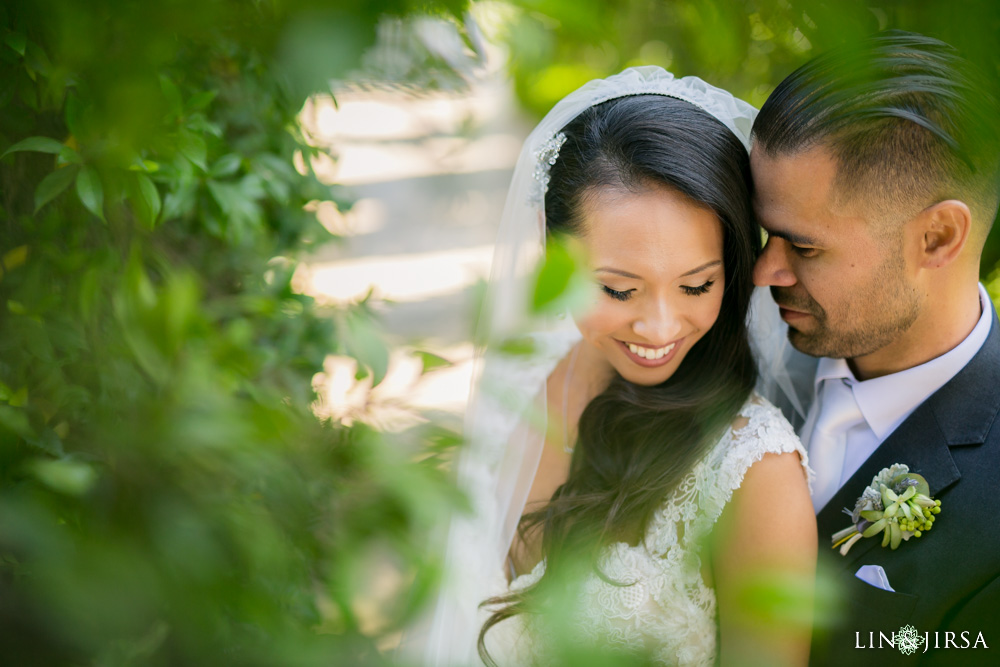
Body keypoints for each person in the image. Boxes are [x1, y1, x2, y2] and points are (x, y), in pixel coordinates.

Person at [411, 67, 817, 667]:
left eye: (696, 285)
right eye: (620, 290)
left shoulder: (755, 471)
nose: (659, 328)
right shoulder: (520, 374)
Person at [750, 31, 1000, 665]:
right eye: (765, 234)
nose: (763, 272)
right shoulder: (714, 340)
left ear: (938, 237)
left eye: (804, 247)